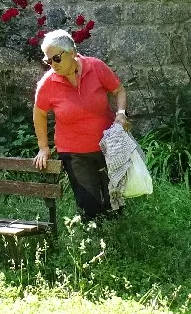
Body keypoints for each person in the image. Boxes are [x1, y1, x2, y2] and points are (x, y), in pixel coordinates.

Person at [32, 31, 129, 221]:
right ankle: (93, 244)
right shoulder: (48, 83)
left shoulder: (96, 67)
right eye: (48, 61)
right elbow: (39, 113)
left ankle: (120, 242)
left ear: (72, 53)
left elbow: (119, 90)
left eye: (57, 59)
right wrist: (43, 147)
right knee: (89, 205)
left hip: (109, 146)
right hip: (75, 153)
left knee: (116, 201)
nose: (53, 65)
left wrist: (121, 114)